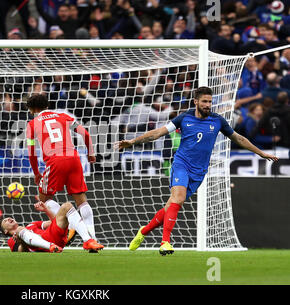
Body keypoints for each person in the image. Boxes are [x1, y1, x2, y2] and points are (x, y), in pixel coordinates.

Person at [115, 87, 278, 255]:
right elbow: (158, 133)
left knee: (171, 206)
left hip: (199, 171)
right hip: (181, 164)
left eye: (210, 102)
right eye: (204, 101)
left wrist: (261, 153)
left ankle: (143, 232)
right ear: (196, 102)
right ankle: (165, 242)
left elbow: (239, 138)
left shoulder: (218, 121)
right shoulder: (184, 118)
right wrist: (133, 141)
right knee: (178, 198)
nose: (208, 105)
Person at [25, 94, 103, 251]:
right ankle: (93, 239)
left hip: (55, 161)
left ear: (32, 109)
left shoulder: (32, 124)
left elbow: (32, 153)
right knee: (81, 199)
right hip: (74, 159)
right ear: (47, 105)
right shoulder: (64, 116)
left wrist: (36, 173)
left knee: (44, 199)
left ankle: (80, 232)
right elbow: (86, 134)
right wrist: (90, 153)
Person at [0, 200, 104, 252]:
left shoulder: (32, 225)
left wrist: (46, 209)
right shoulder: (11, 241)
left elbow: (54, 221)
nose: (9, 219)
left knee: (66, 206)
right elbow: (21, 251)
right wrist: (21, 241)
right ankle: (50, 246)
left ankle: (88, 241)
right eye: (5, 220)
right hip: (43, 246)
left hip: (53, 236)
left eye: (9, 218)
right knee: (19, 230)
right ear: (5, 231)